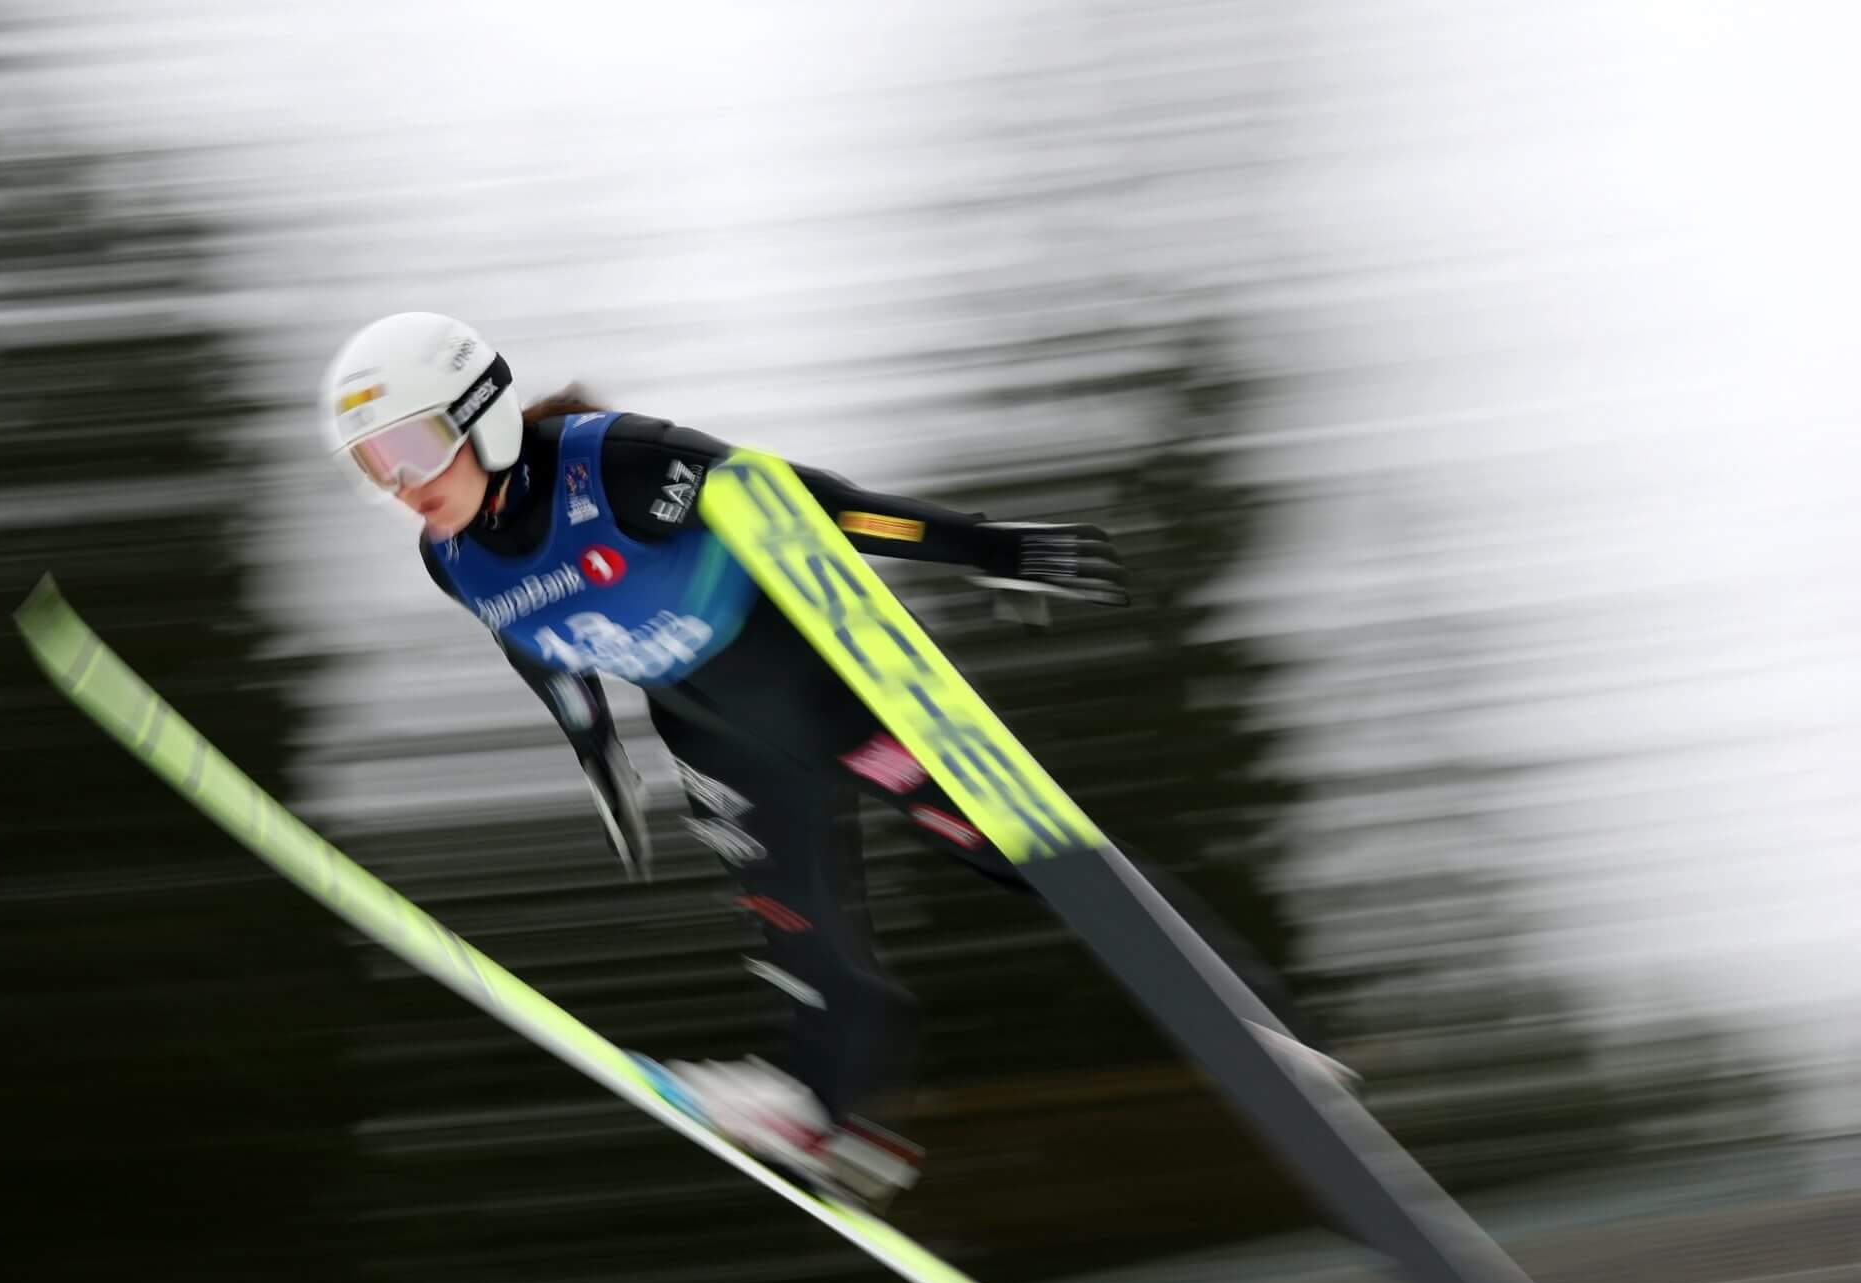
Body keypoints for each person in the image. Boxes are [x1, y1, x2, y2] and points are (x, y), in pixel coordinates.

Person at [321, 311, 1328, 1211]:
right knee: (797, 935)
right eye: (374, 467)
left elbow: (816, 503)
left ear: (482, 410)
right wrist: (597, 753)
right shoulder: (452, 559)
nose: (403, 485)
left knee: (1023, 854)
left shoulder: (613, 466)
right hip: (715, 733)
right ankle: (838, 1121)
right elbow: (536, 642)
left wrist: (986, 548)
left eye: (410, 446)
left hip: (826, 686)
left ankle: (1249, 1022)